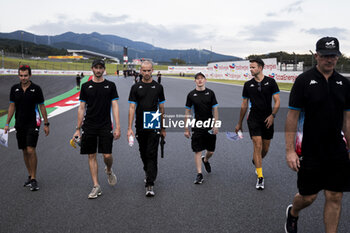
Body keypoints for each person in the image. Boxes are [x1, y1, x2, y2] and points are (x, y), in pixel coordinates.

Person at [284, 37, 350, 233]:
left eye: (333, 56)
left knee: (335, 196)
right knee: (308, 197)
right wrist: (289, 151)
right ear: (316, 56)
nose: (329, 60)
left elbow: (347, 120)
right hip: (310, 148)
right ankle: (293, 212)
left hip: (337, 148)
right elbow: (292, 117)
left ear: (338, 57)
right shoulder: (303, 81)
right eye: (325, 56)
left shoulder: (344, 83)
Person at [72, 59, 121, 199]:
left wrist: (118, 126)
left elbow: (115, 106)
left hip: (106, 125)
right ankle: (96, 186)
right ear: (92, 69)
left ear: (104, 69)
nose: (98, 70)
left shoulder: (110, 85)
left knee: (107, 155)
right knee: (91, 155)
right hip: (89, 125)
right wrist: (78, 128)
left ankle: (109, 170)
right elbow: (81, 108)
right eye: (96, 68)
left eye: (101, 68)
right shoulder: (86, 86)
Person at [235, 57, 280, 190]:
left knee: (265, 149)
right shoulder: (247, 85)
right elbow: (244, 105)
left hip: (268, 119)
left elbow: (277, 101)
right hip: (253, 119)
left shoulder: (271, 82)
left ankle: (256, 160)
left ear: (260, 68)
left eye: (253, 67)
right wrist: (239, 123)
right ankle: (260, 177)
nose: (251, 69)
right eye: (250, 67)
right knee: (257, 144)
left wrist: (272, 115)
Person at [4, 64, 50, 191]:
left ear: (30, 75)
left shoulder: (36, 88)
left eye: (25, 75)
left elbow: (42, 106)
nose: (23, 78)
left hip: (33, 123)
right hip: (19, 123)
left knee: (30, 149)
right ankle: (30, 175)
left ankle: (34, 178)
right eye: (21, 75)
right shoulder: (14, 89)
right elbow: (12, 106)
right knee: (24, 150)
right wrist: (7, 123)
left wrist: (46, 124)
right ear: (18, 75)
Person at [127, 60, 166, 197]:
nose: (147, 73)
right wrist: (129, 128)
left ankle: (150, 184)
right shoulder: (136, 87)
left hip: (153, 121)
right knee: (143, 152)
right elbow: (132, 107)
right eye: (144, 70)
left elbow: (161, 108)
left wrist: (163, 127)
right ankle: (147, 170)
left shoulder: (158, 87)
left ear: (152, 70)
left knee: (152, 153)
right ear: (140, 71)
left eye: (149, 70)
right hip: (140, 123)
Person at [184, 72, 219, 184]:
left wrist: (215, 124)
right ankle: (199, 174)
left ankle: (206, 159)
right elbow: (187, 112)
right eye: (197, 79)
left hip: (209, 124)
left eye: (201, 78)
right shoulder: (191, 95)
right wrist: (186, 128)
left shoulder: (211, 93)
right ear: (195, 81)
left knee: (211, 151)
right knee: (197, 150)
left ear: (205, 80)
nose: (199, 80)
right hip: (197, 126)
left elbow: (215, 110)